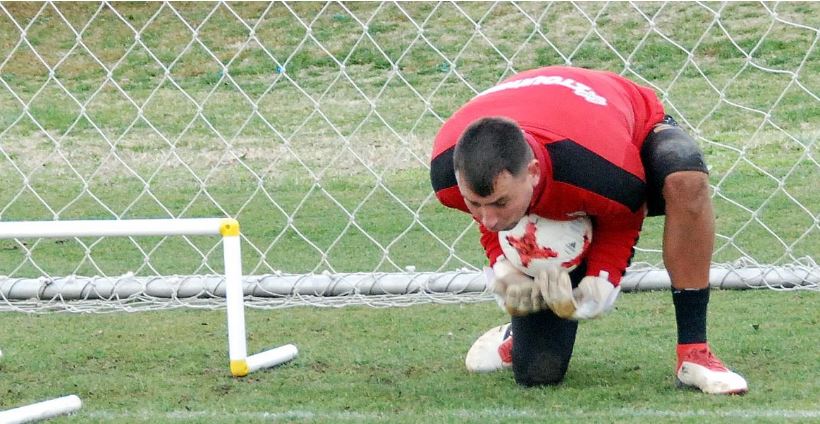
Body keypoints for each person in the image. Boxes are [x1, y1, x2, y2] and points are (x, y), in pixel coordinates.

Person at [429, 66, 748, 394]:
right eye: (474, 203)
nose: (488, 219)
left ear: (533, 172)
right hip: (564, 160)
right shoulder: (446, 172)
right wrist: (504, 268)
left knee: (684, 176)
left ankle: (694, 353)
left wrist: (599, 284)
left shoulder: (602, 170)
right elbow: (489, 220)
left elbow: (623, 215)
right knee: (539, 372)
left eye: (499, 203)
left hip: (623, 136)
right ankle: (514, 337)